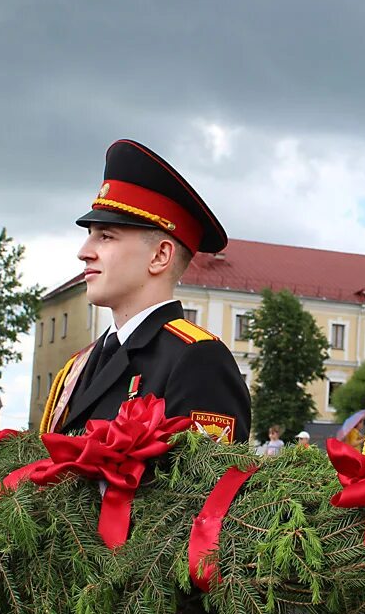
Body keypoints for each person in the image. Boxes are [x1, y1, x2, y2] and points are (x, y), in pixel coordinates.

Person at [39, 139, 250, 442]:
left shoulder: (198, 361)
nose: (84, 252)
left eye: (106, 236)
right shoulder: (79, 365)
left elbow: (201, 487)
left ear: (160, 256)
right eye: (90, 236)